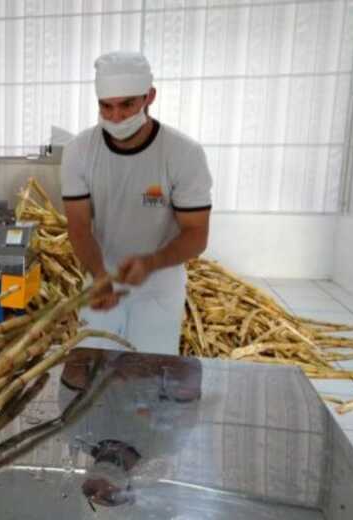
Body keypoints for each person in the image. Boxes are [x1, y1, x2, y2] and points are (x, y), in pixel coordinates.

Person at [60, 51, 212, 389]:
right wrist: (98, 275)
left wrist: (153, 261)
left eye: (127, 105)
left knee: (147, 384)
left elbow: (196, 234)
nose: (116, 117)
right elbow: (79, 226)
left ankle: (143, 441)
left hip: (158, 286)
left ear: (150, 97)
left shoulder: (183, 154)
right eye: (106, 106)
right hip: (101, 281)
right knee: (93, 382)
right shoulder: (79, 151)